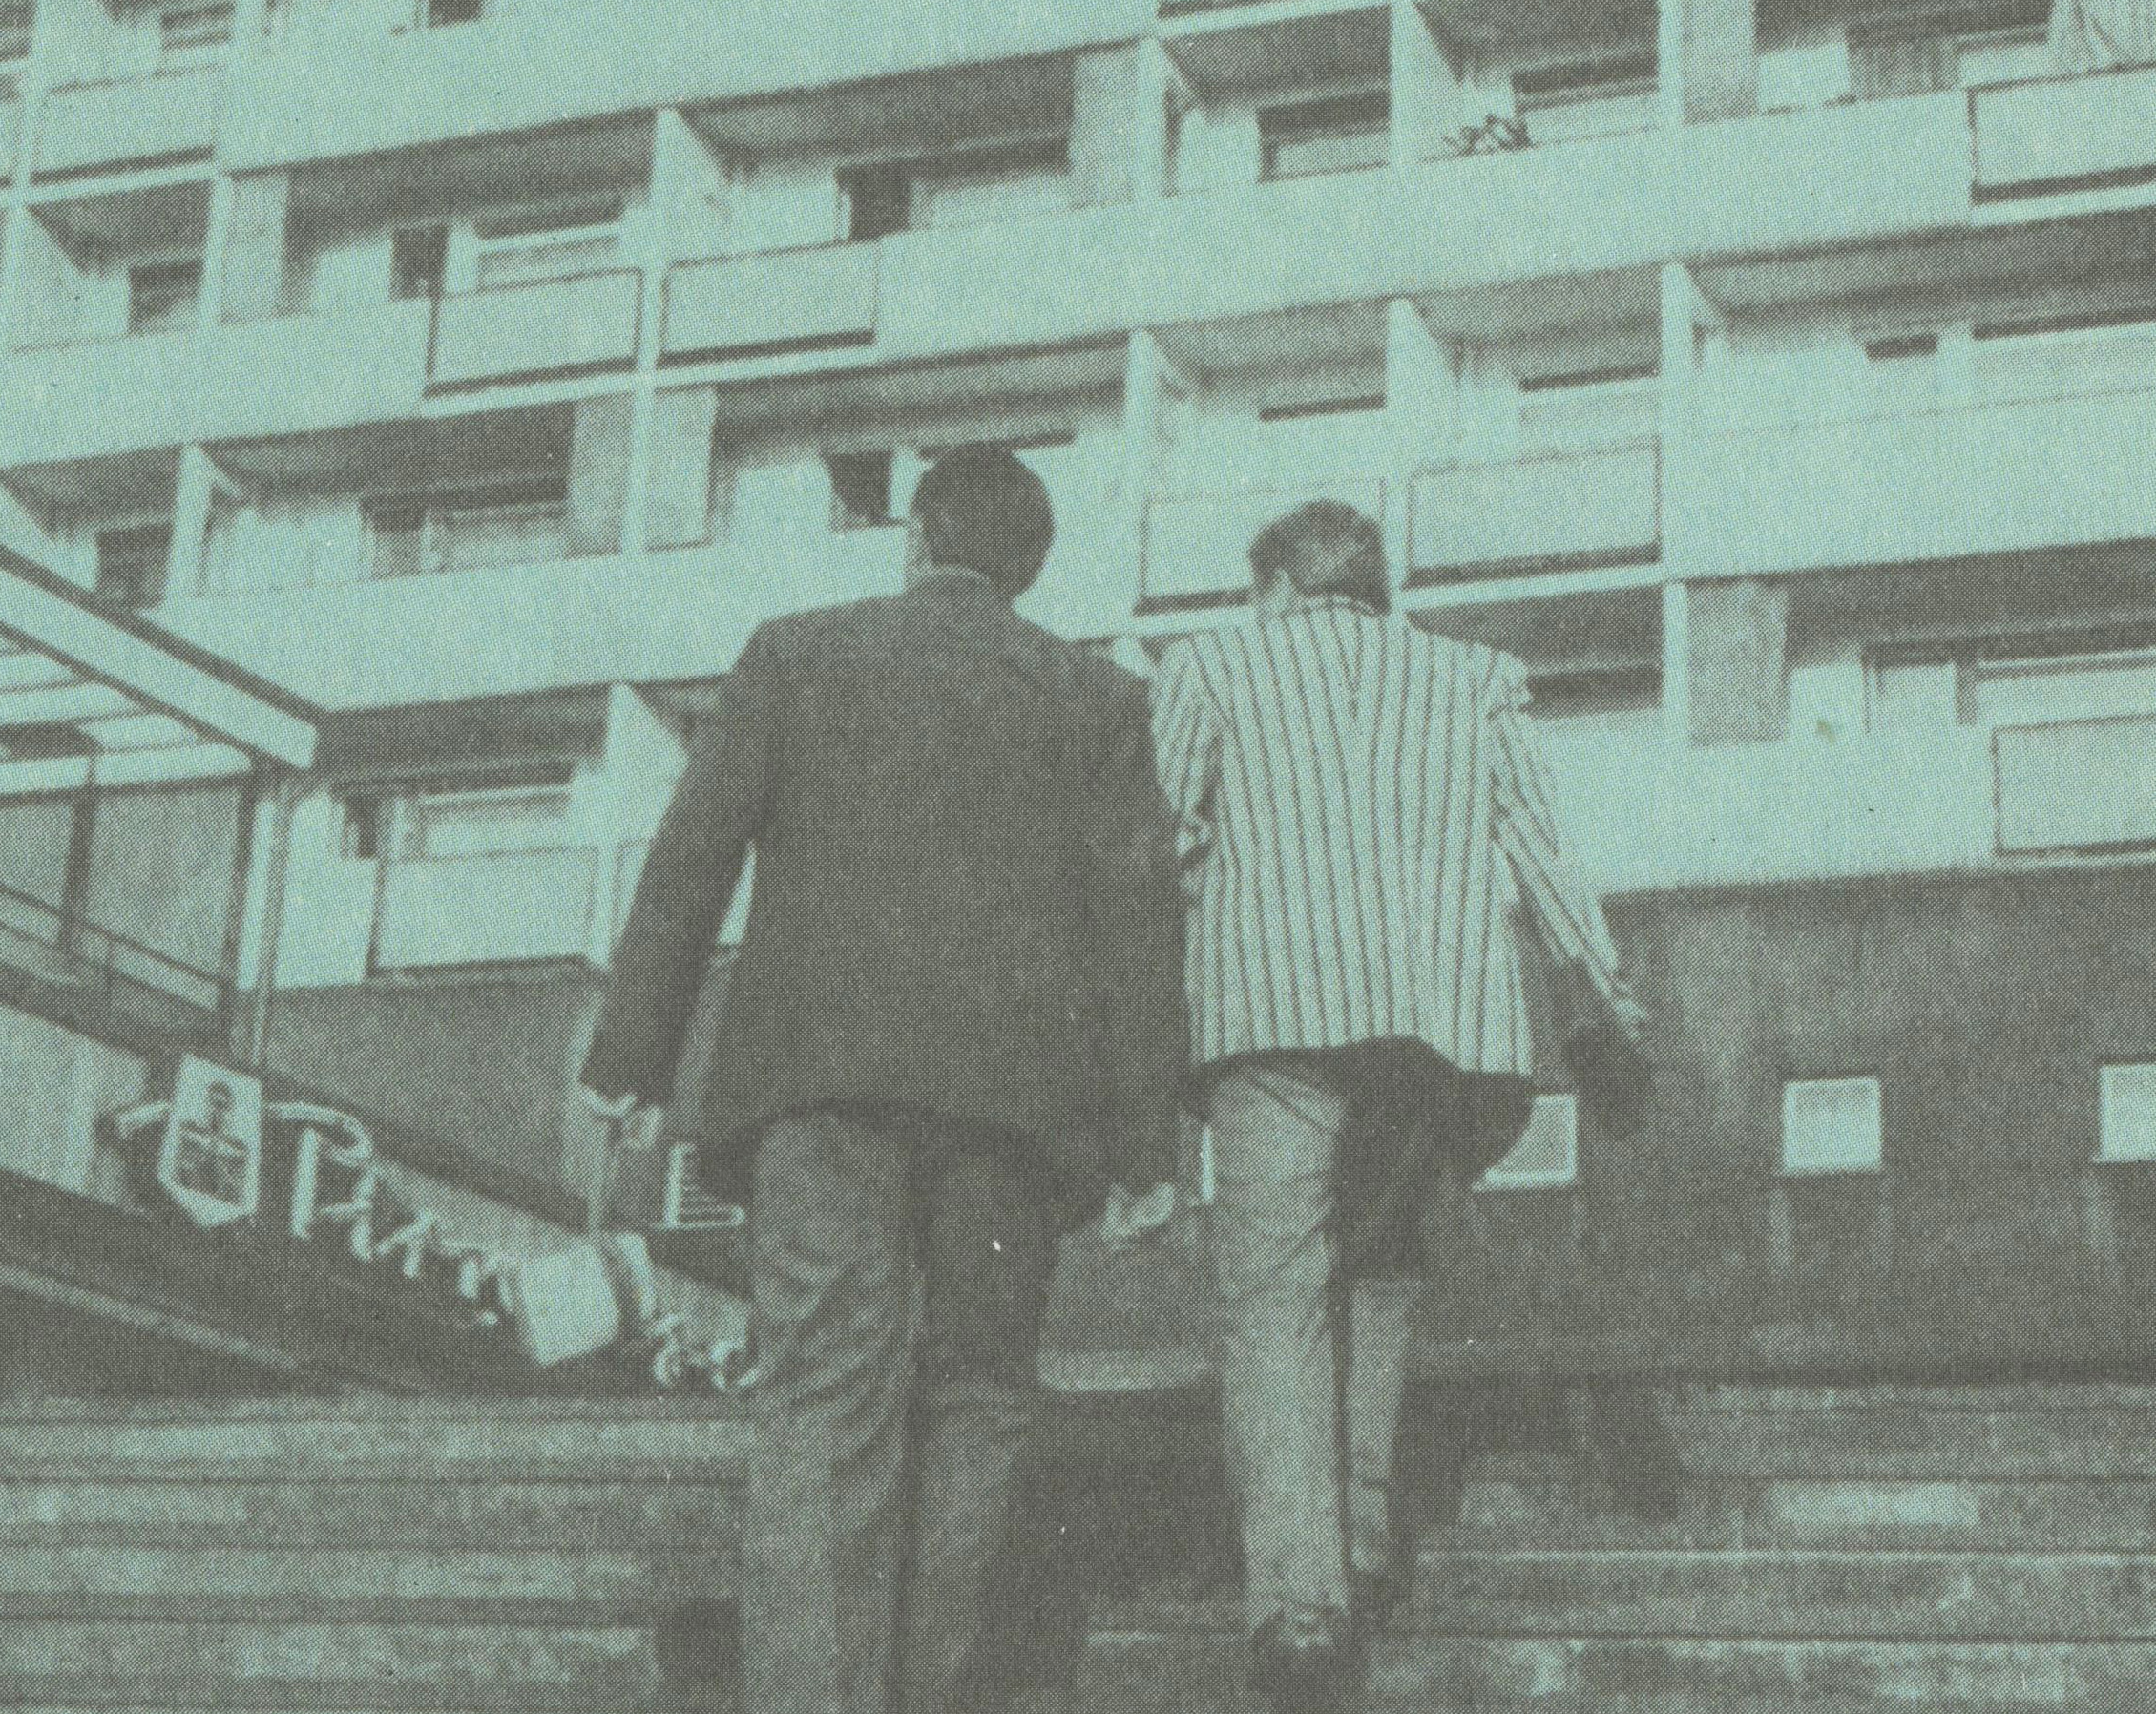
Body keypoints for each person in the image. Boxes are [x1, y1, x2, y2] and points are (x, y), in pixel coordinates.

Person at [580, 445, 1188, 1714]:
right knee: (976, 1399)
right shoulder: (1098, 698)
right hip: (1018, 1116)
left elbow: (692, 857)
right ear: (1030, 568)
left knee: (819, 1394)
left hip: (821, 1086)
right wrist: (1146, 1141)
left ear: (915, 538)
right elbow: (1140, 923)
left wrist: (633, 1056)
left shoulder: (794, 653)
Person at [1148, 499, 1648, 1711]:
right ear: (1374, 586)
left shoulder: (1209, 663)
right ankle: (1362, 1550)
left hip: (1272, 1021)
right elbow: (1538, 842)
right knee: (1374, 1274)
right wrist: (1609, 1000)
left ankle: (1302, 1610)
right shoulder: (1476, 673)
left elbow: (1157, 840)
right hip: (1440, 1036)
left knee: (1274, 1299)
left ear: (1273, 583)